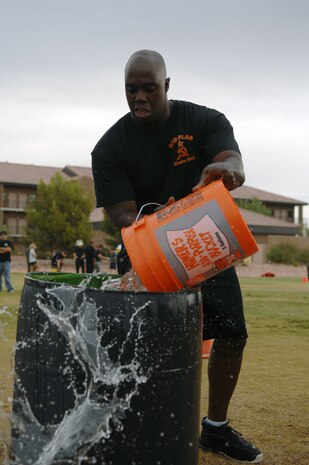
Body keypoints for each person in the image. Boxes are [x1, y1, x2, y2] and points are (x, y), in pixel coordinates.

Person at [91, 50, 263, 463]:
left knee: (232, 335)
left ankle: (216, 431)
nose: (140, 97)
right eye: (131, 89)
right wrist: (160, 220)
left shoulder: (205, 121)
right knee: (145, 347)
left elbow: (231, 159)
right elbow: (122, 215)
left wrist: (229, 172)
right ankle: (135, 427)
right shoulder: (109, 147)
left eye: (149, 87)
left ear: (167, 85)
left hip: (204, 245)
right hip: (148, 254)